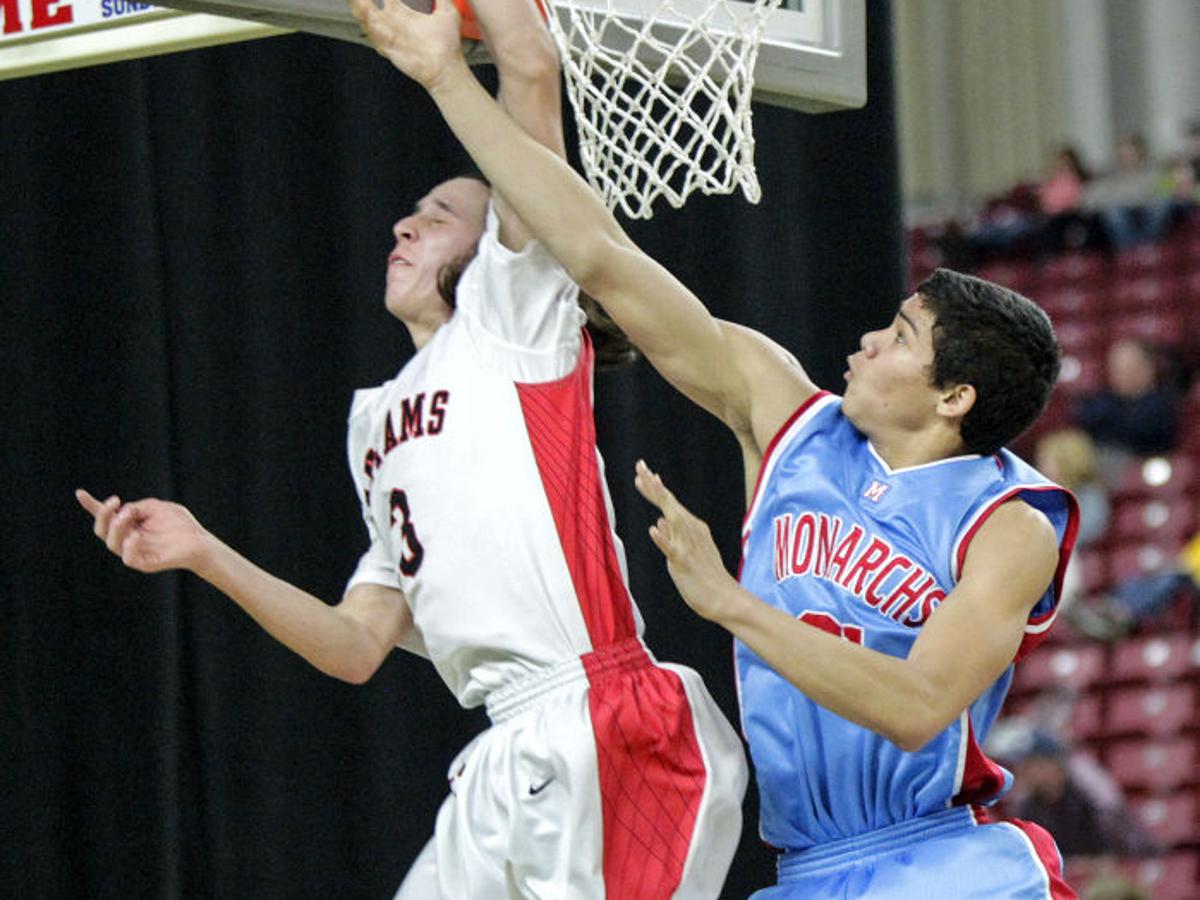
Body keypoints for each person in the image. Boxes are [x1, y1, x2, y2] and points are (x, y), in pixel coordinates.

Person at [348, 2, 1081, 897]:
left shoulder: (1011, 523)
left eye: (897, 336)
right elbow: (600, 255)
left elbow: (918, 705)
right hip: (806, 869)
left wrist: (733, 606)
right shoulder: (783, 411)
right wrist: (448, 79)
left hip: (942, 861)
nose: (865, 342)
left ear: (953, 396)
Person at [75, 2, 748, 898]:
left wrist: (463, 53)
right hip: (503, 754)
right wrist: (206, 553)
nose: (403, 227)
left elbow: (532, 65)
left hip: (605, 723)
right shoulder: (374, 423)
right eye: (409, 214)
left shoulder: (514, 323)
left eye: (438, 217)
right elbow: (356, 646)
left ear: (498, 247)